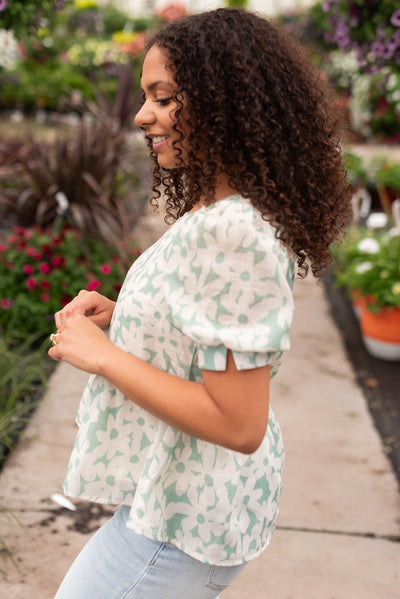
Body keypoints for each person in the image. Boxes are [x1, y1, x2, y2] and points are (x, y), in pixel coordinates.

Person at [49, 8, 352, 599]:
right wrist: (130, 317)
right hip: (178, 502)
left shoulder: (232, 229)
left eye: (163, 98)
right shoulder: (223, 208)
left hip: (178, 524)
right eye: (145, 97)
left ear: (226, 102)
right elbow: (211, 328)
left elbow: (238, 422)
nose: (142, 116)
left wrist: (103, 356)